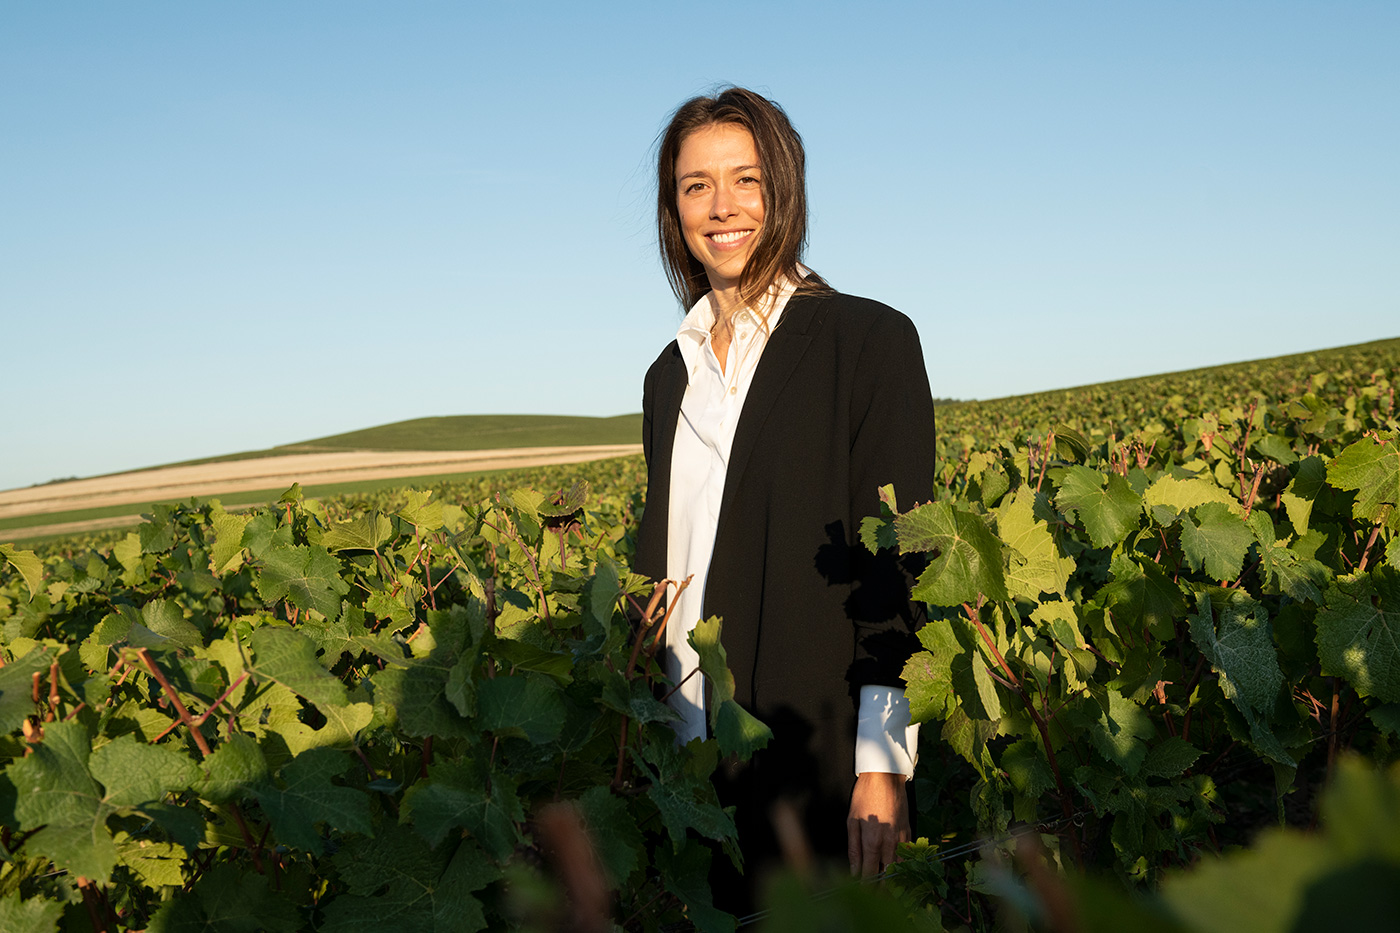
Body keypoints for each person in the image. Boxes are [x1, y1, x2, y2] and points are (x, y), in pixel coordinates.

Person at [632, 86, 938, 908]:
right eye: (697, 185)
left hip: (817, 763)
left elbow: (899, 565)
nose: (721, 207)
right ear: (674, 209)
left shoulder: (866, 341)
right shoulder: (670, 375)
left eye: (747, 180)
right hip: (691, 772)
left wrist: (882, 763)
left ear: (785, 191)